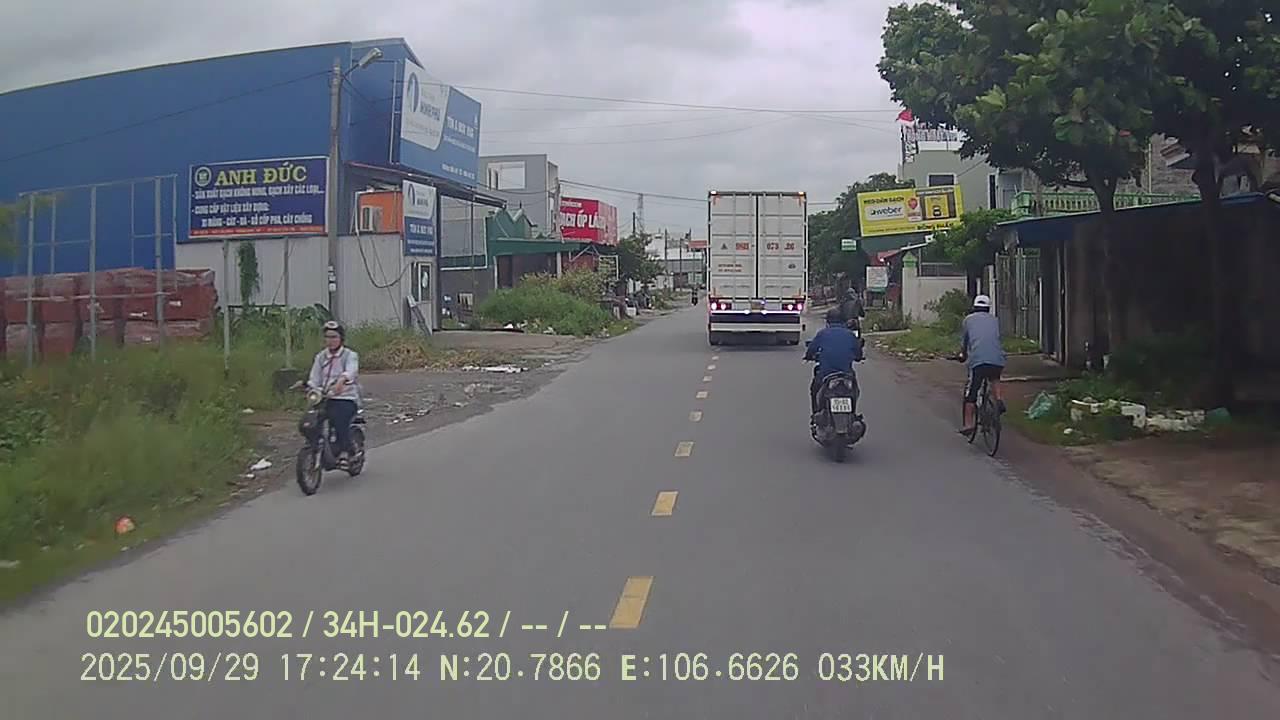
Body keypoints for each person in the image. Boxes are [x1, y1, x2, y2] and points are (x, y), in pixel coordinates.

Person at [308, 320, 361, 464]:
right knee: (309, 422)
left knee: (339, 420)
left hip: (346, 398)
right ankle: (315, 447)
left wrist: (342, 380)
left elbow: (351, 371)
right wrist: (310, 387)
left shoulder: (349, 355)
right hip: (324, 399)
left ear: (341, 338)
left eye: (334, 337)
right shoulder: (321, 357)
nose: (330, 340)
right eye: (327, 337)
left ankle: (347, 451)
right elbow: (314, 378)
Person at [958, 294, 1006, 434]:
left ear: (974, 307)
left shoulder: (968, 320)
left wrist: (962, 355)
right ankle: (999, 400)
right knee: (995, 378)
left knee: (971, 393)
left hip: (978, 361)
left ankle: (968, 424)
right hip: (997, 359)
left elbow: (965, 342)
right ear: (988, 308)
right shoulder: (995, 320)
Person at [805, 307, 865, 416]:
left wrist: (808, 356)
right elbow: (858, 353)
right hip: (846, 374)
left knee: (814, 389)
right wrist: (858, 357)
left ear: (828, 321)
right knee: (855, 389)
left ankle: (816, 415)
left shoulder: (822, 333)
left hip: (826, 374)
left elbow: (811, 349)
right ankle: (852, 413)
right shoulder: (850, 334)